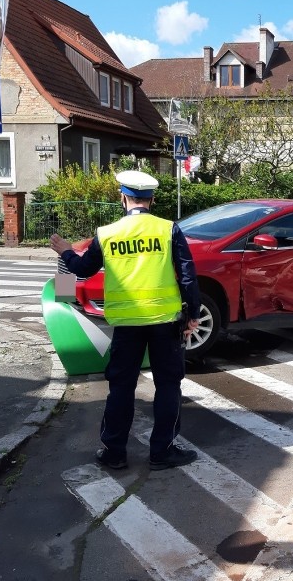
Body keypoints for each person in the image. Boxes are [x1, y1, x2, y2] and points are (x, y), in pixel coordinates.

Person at [50, 170, 201, 470]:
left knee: (121, 387)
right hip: (165, 322)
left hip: (126, 325)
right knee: (168, 386)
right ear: (152, 200)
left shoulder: (107, 233)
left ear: (123, 197)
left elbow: (82, 270)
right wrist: (193, 315)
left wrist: (66, 252)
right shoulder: (168, 230)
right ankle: (162, 452)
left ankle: (114, 452)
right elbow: (187, 274)